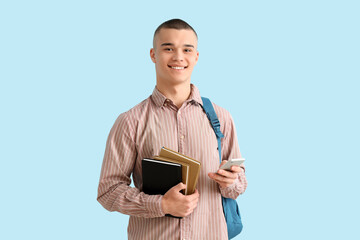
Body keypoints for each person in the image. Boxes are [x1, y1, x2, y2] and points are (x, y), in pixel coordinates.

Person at [97, 18, 247, 239]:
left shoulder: (221, 117)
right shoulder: (130, 121)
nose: (178, 57)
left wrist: (231, 182)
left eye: (187, 49)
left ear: (196, 57)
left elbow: (239, 184)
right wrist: (161, 204)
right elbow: (108, 192)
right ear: (153, 55)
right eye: (168, 48)